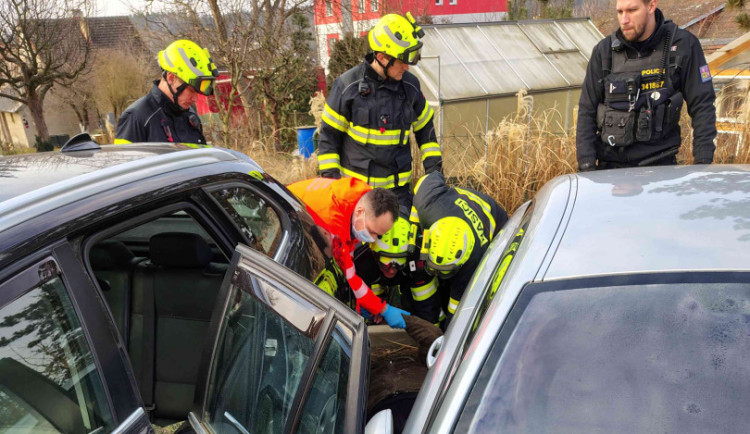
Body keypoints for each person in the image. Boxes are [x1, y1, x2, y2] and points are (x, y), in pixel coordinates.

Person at [317, 12, 442, 216]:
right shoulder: (347, 87)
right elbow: (329, 140)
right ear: (382, 57)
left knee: (399, 247)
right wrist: (333, 188)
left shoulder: (411, 87)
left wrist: (435, 177)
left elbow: (427, 134)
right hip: (357, 196)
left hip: (399, 198)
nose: (406, 66)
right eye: (402, 60)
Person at [576, 0, 716, 171]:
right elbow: (586, 111)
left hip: (661, 170)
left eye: (632, 10)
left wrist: (702, 165)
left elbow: (703, 106)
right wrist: (587, 168)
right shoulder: (604, 52)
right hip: (610, 173)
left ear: (651, 6)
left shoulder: (682, 46)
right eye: (620, 12)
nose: (624, 20)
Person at [288, 177, 411, 329]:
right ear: (360, 212)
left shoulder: (362, 196)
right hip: (285, 219)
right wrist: (382, 309)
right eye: (372, 232)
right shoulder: (331, 224)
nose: (372, 239)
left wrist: (366, 303)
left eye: (378, 235)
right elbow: (349, 274)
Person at [411, 172, 508, 325]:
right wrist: (414, 224)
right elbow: (426, 179)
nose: (441, 275)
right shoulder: (428, 204)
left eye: (446, 271)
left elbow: (458, 306)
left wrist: (450, 330)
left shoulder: (475, 259)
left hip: (494, 219)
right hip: (454, 204)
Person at [115, 39, 218, 145]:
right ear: (171, 78)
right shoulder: (135, 118)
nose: (195, 99)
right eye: (191, 90)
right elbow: (124, 160)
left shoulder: (190, 116)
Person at [354, 216, 443, 324]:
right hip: (374, 275)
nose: (392, 271)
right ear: (374, 255)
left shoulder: (418, 259)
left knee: (412, 305)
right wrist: (376, 308)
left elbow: (427, 307)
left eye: (398, 265)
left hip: (408, 276)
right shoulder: (361, 260)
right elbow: (360, 297)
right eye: (386, 265)